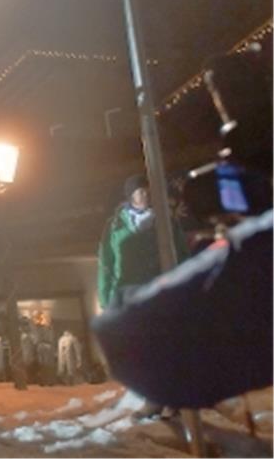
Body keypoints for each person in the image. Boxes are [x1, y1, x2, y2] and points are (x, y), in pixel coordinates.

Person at [96, 173, 188, 417]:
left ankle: (172, 399)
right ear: (130, 196)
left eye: (147, 191)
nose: (145, 195)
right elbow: (106, 262)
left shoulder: (166, 221)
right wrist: (106, 297)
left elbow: (182, 254)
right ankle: (152, 399)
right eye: (140, 191)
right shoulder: (115, 225)